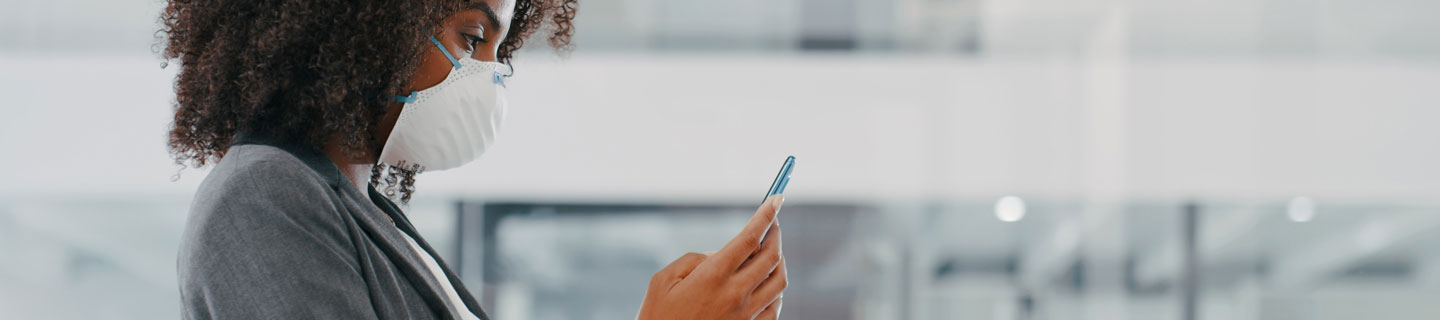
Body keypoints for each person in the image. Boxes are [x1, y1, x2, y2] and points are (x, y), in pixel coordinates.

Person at [161, 0, 787, 319]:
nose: (489, 74)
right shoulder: (262, 199)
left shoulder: (367, 211)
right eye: (470, 38)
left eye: (499, 49)